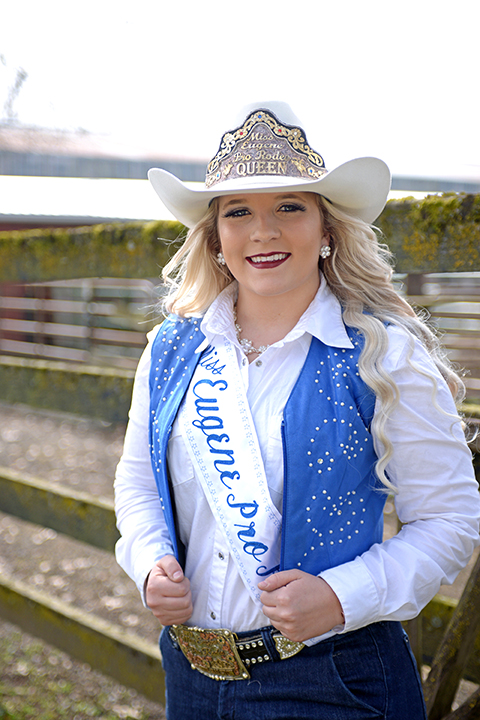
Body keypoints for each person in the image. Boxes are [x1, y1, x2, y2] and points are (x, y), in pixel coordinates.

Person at [114, 101, 480, 719]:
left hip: (334, 680)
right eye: (239, 212)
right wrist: (148, 561)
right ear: (216, 236)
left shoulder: (384, 356)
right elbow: (139, 483)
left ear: (327, 228)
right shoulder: (171, 349)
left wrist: (341, 596)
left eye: (290, 206)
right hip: (192, 675)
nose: (264, 231)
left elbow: (449, 521)